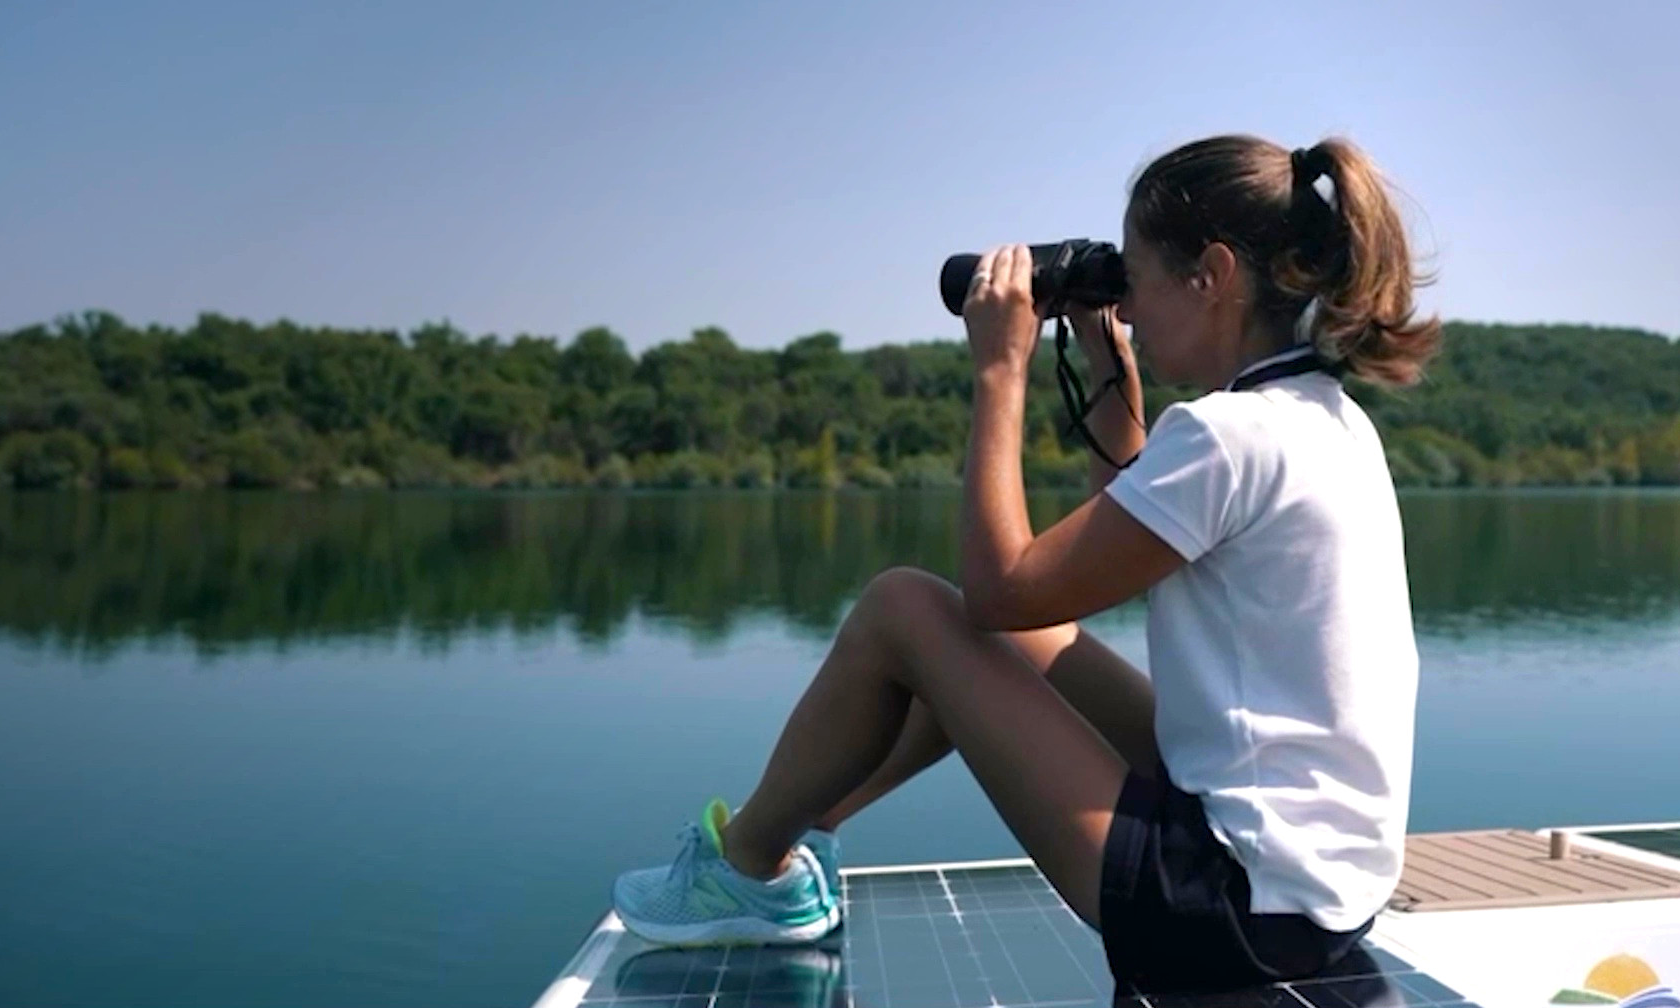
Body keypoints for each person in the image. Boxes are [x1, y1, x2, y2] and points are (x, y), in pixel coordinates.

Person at [611, 132, 1440, 993]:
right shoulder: (1319, 418)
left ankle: (747, 866)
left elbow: (1001, 588)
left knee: (907, 606)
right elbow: (1115, 545)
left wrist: (999, 370)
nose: (1134, 306)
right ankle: (794, 839)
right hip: (1309, 906)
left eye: (1141, 278)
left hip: (1224, 910)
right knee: (1027, 639)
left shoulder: (1228, 436)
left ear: (1214, 275)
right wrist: (1109, 367)